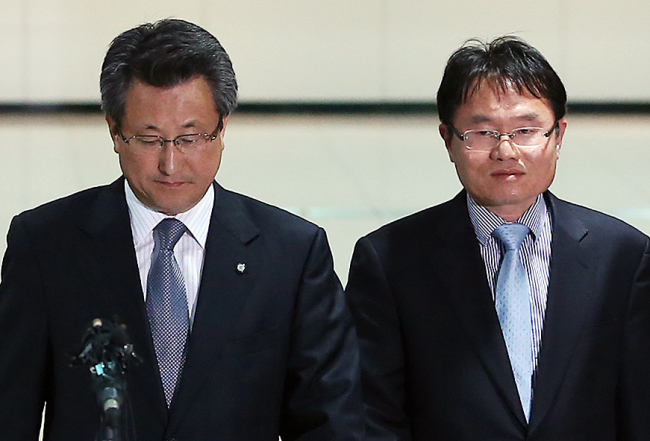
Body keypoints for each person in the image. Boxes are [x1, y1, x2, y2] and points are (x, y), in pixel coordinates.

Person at [0, 19, 363, 441]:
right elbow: (10, 413)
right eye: (150, 139)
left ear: (223, 128)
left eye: (191, 138)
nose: (170, 164)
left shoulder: (292, 254)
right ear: (115, 131)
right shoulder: (44, 245)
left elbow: (331, 424)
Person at [345, 36, 650, 440]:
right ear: (449, 139)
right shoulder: (389, 260)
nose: (505, 151)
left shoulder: (623, 256)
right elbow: (374, 416)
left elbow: (639, 407)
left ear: (558, 136)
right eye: (483, 133)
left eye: (526, 130)